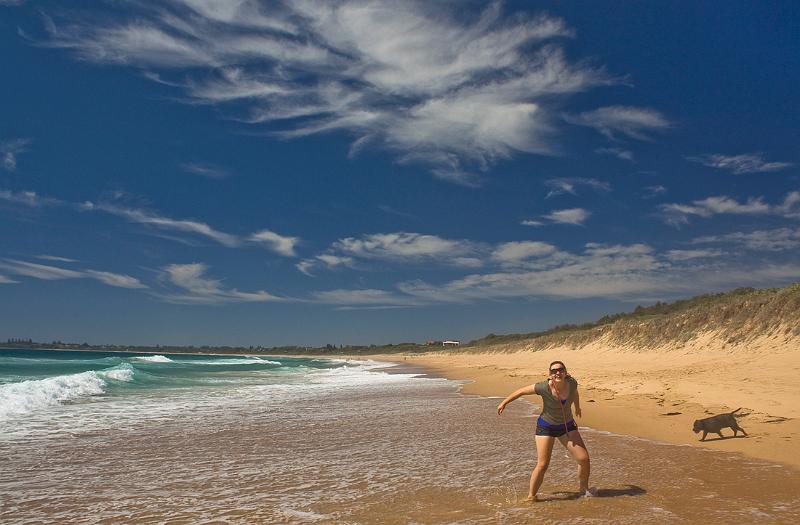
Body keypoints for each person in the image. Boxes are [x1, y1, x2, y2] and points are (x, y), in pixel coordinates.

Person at [497, 360, 595, 501]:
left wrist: (577, 407)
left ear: (565, 372)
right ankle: (531, 497)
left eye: (560, 369)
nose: (557, 372)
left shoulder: (572, 383)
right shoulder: (544, 387)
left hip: (566, 426)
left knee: (584, 459)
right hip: (546, 427)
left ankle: (583, 490)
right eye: (554, 371)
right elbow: (521, 391)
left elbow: (575, 393)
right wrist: (504, 402)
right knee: (543, 464)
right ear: (550, 375)